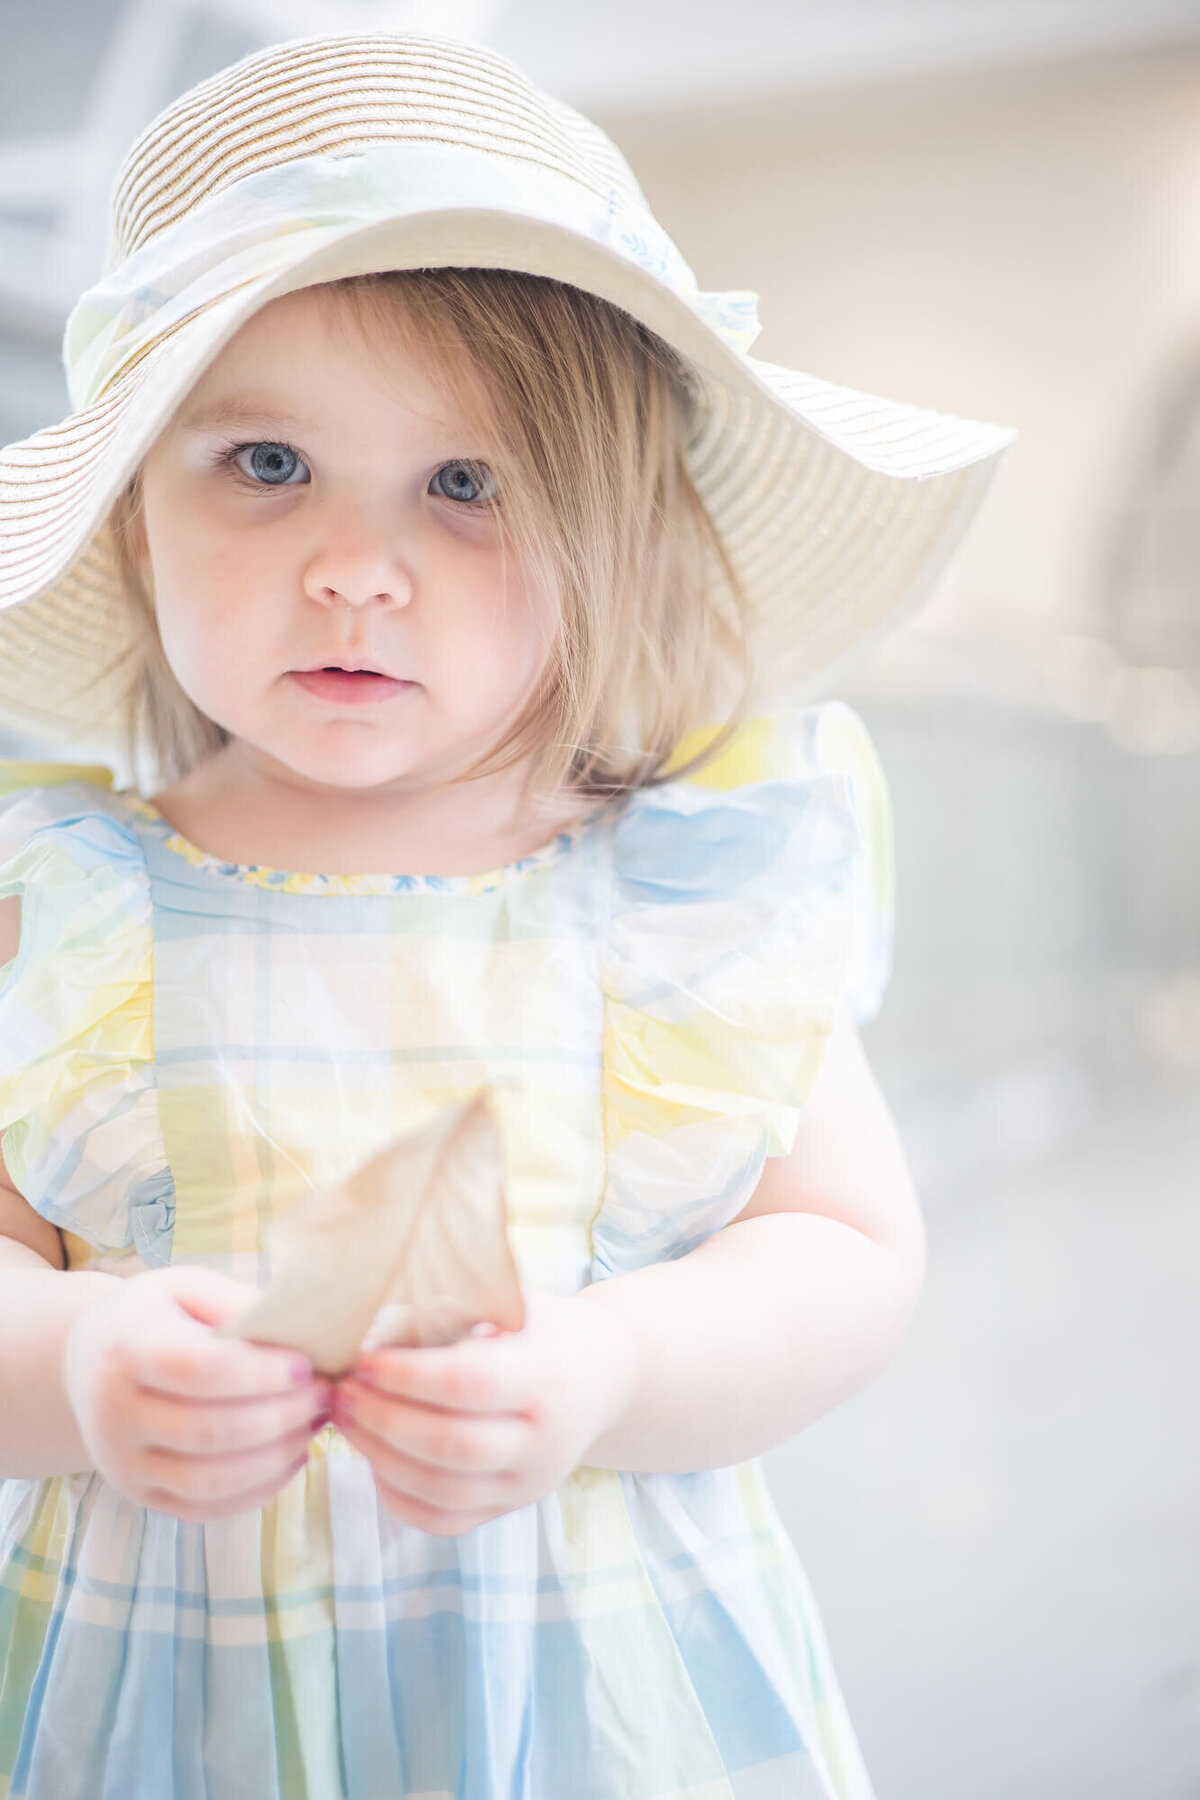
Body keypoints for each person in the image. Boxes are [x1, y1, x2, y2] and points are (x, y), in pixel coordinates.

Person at [0, 32, 1014, 1800]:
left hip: (607, 1697)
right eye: (261, 464)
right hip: (179, 1715)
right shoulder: (66, 911)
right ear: (138, 526)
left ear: (604, 535)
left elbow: (846, 1254)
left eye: (465, 485)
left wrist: (613, 1367)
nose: (352, 566)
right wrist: (79, 1357)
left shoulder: (683, 894)